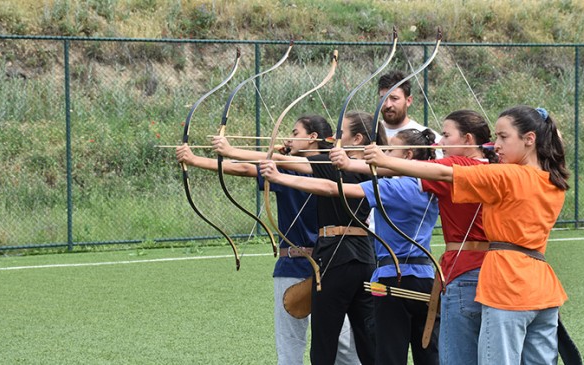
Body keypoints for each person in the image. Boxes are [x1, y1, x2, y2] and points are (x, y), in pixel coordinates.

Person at [359, 105, 569, 365]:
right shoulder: (553, 180)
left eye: (504, 137)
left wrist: (386, 160)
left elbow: (446, 172)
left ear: (530, 139)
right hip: (543, 287)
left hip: (508, 285)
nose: (496, 145)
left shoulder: (508, 175)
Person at [177, 114, 360, 365]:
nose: (289, 137)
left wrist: (195, 159)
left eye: (295, 133)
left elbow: (245, 167)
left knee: (300, 347)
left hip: (313, 264)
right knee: (342, 347)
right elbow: (250, 166)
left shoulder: (300, 167)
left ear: (313, 138)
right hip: (327, 263)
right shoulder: (338, 169)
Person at [260, 128, 441, 365]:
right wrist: (348, 162)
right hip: (427, 278)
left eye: (389, 151)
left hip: (392, 278)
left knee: (388, 355)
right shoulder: (435, 186)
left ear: (407, 155)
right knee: (426, 353)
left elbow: (332, 189)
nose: (383, 154)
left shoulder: (392, 188)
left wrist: (279, 176)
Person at [332, 109, 498, 365]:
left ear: (467, 139)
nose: (439, 143)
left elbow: (415, 169)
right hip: (496, 268)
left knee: (456, 354)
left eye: (446, 135)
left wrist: (357, 163)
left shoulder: (458, 167)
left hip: (463, 269)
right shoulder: (501, 169)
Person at [219, 111, 385, 365]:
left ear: (358, 138)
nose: (334, 139)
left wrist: (231, 150)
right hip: (365, 258)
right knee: (367, 339)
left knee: (324, 341)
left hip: (335, 258)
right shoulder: (376, 169)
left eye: (341, 135)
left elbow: (282, 163)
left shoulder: (332, 165)